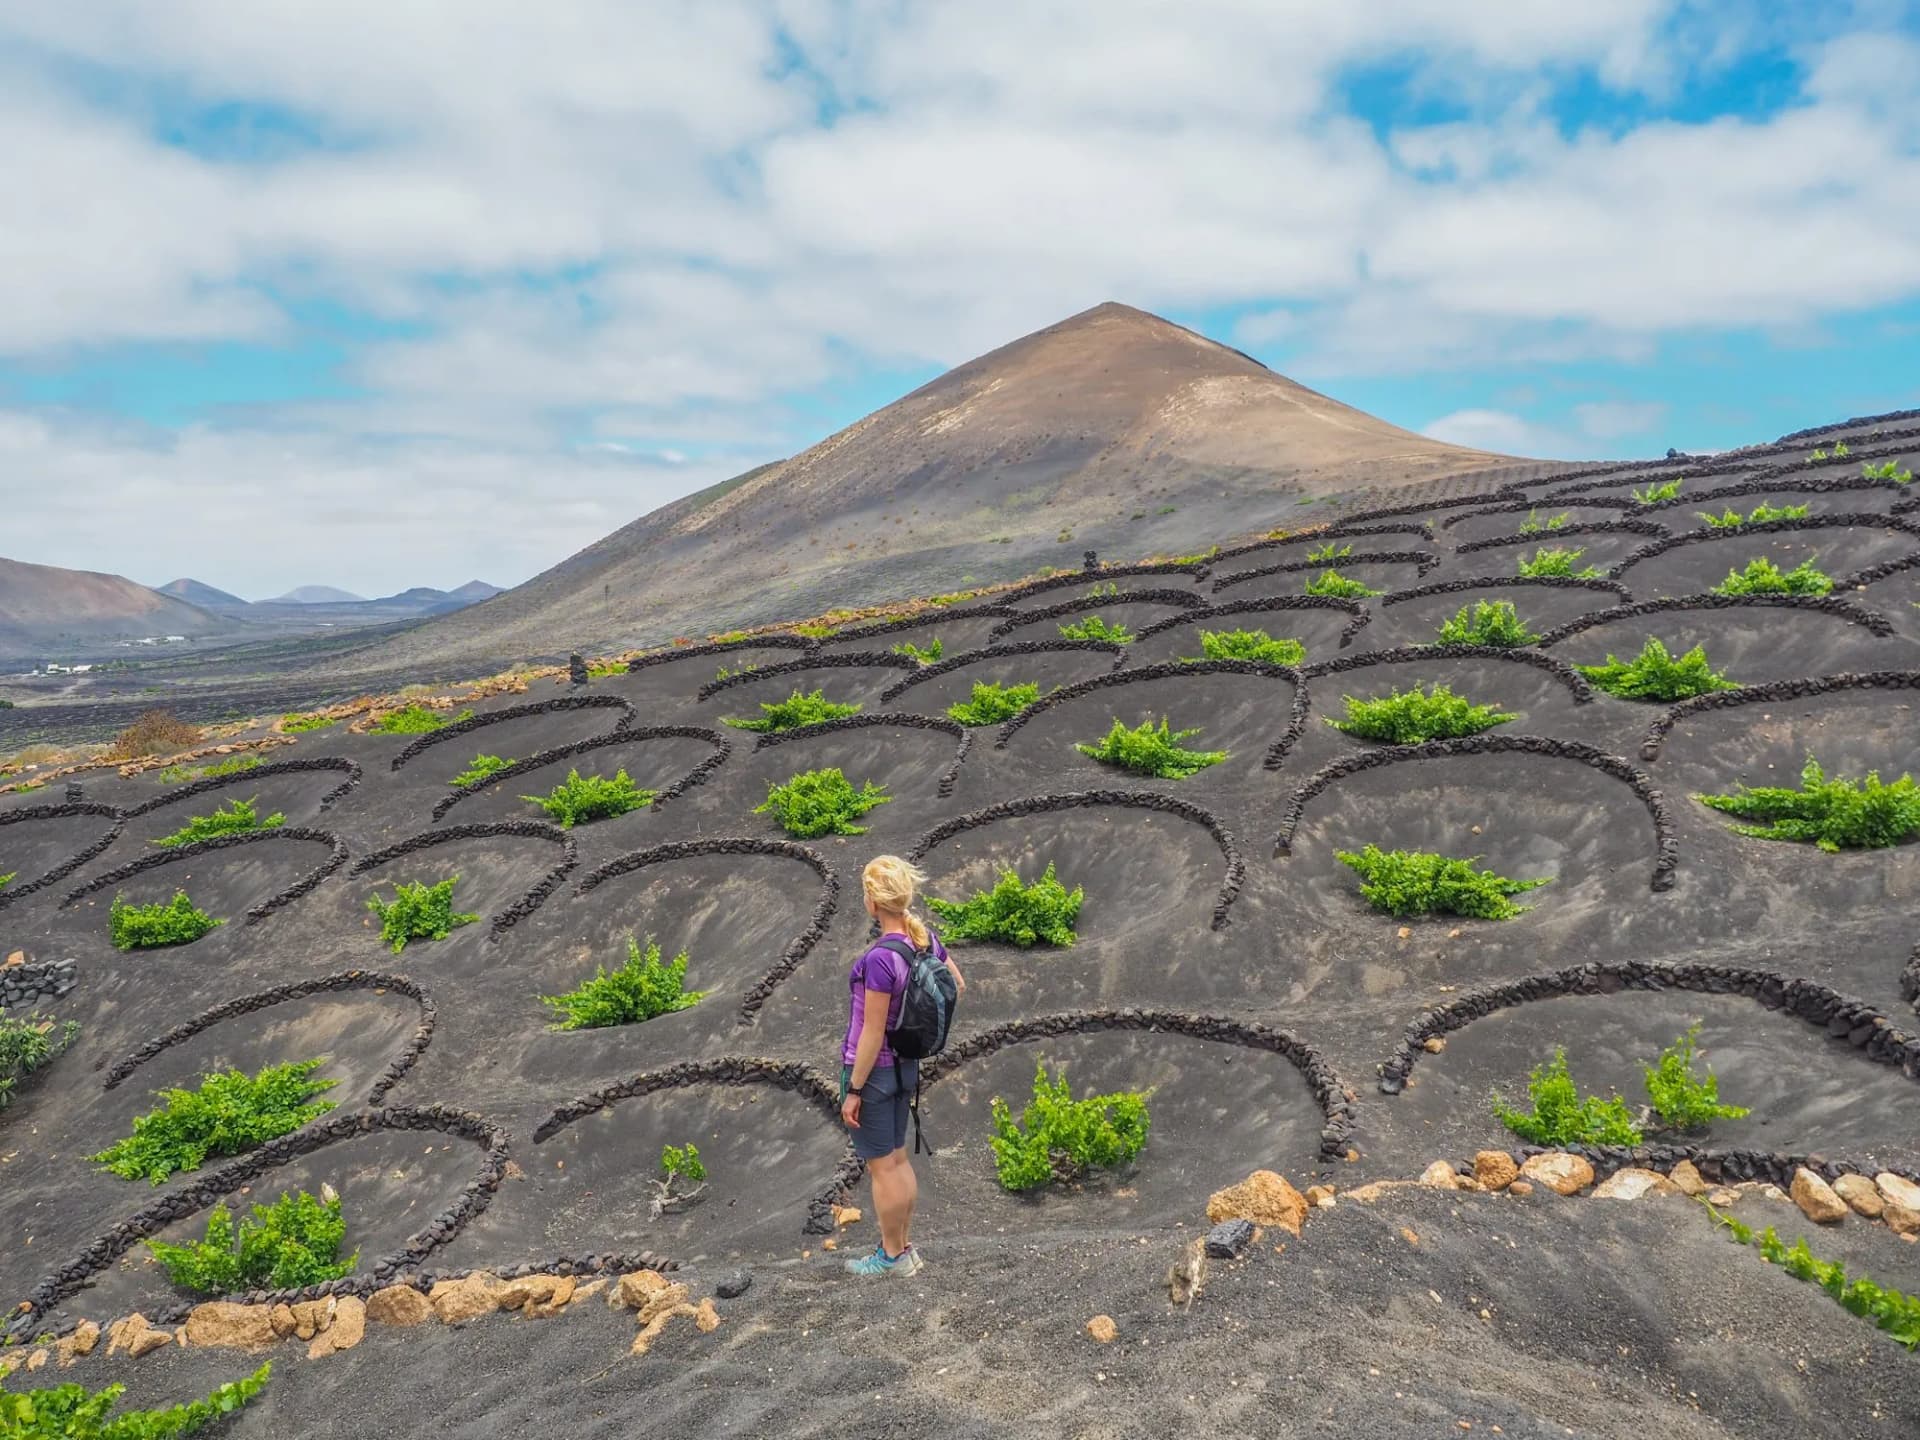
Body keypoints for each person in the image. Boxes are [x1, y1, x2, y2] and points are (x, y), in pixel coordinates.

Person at [840, 854, 964, 1277]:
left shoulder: (880, 958)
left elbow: (872, 1033)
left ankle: (892, 1255)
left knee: (882, 1168)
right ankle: (904, 1249)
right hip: (905, 1067)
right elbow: (957, 984)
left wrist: (854, 1090)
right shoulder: (923, 940)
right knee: (897, 1160)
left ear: (873, 901)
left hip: (873, 1072)